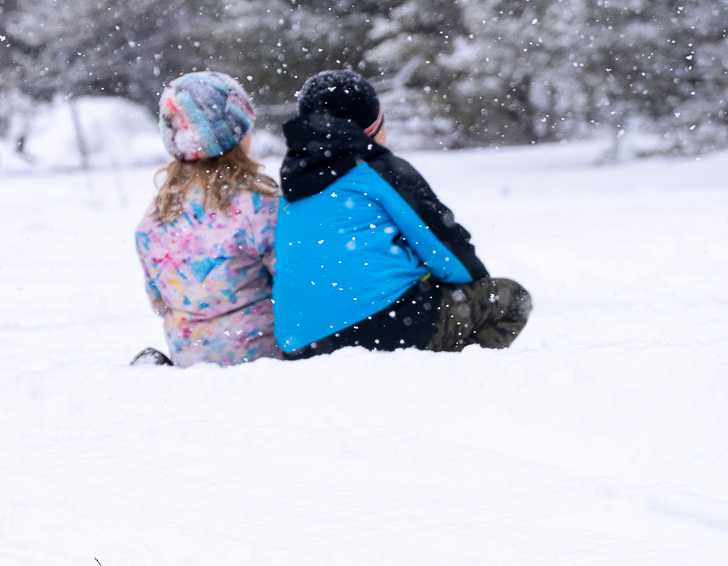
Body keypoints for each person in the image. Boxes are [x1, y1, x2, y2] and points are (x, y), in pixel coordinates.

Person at [275, 69, 532, 357]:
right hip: (385, 328)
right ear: (374, 128)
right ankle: (453, 377)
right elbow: (446, 249)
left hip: (301, 343)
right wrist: (474, 287)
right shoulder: (377, 171)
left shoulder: (290, 186)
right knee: (511, 299)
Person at [133, 72, 281, 367]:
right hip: (263, 358)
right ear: (237, 134)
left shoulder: (152, 220)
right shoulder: (260, 206)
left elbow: (158, 301)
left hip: (190, 357)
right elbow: (293, 282)